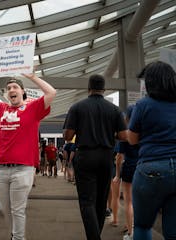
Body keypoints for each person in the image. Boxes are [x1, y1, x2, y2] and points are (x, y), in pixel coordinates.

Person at [0, 72, 56, 240]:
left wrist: (33, 76)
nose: (11, 90)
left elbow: (51, 93)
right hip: (2, 169)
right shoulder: (0, 108)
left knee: (18, 209)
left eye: (15, 87)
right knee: (6, 209)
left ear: (23, 91)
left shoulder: (32, 108)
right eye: (8, 88)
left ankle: (18, 238)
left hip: (23, 169)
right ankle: (15, 236)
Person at [63, 74, 127, 240]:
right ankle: (95, 235)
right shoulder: (114, 110)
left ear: (88, 88)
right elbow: (123, 135)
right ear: (104, 89)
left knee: (86, 201)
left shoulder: (77, 107)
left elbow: (68, 136)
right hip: (106, 157)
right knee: (100, 201)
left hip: (85, 155)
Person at [128, 61, 176, 240]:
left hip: (151, 168)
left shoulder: (143, 105)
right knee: (173, 230)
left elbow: (132, 140)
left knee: (143, 224)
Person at [113, 105, 138, 240]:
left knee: (128, 202)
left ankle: (131, 233)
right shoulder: (146, 131)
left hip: (129, 168)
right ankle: (135, 226)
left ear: (127, 117)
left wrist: (117, 175)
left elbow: (119, 157)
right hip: (143, 168)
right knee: (139, 201)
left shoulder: (126, 133)